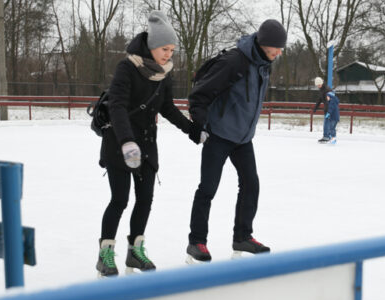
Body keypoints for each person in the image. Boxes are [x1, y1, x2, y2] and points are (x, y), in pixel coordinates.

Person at [97, 11, 206, 277]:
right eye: (164, 49)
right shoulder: (127, 67)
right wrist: (126, 143)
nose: (169, 54)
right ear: (152, 46)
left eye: (172, 50)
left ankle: (135, 252)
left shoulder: (165, 74)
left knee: (145, 200)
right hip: (120, 144)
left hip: (147, 146)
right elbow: (118, 108)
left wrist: (193, 131)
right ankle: (105, 254)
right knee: (120, 200)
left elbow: (167, 108)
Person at [185, 19, 286, 263]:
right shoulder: (235, 61)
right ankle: (196, 242)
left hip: (242, 138)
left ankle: (242, 236)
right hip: (218, 134)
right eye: (276, 48)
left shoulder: (264, 63)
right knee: (208, 188)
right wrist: (200, 126)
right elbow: (199, 94)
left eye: (281, 48)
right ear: (264, 44)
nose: (279, 52)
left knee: (251, 184)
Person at [312, 76, 333, 143]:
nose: (318, 86)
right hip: (327, 108)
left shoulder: (327, 90)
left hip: (330, 109)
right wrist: (315, 108)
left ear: (321, 83)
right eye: (317, 85)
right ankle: (328, 136)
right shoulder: (322, 90)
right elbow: (319, 100)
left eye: (319, 85)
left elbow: (330, 100)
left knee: (326, 123)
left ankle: (326, 137)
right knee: (327, 122)